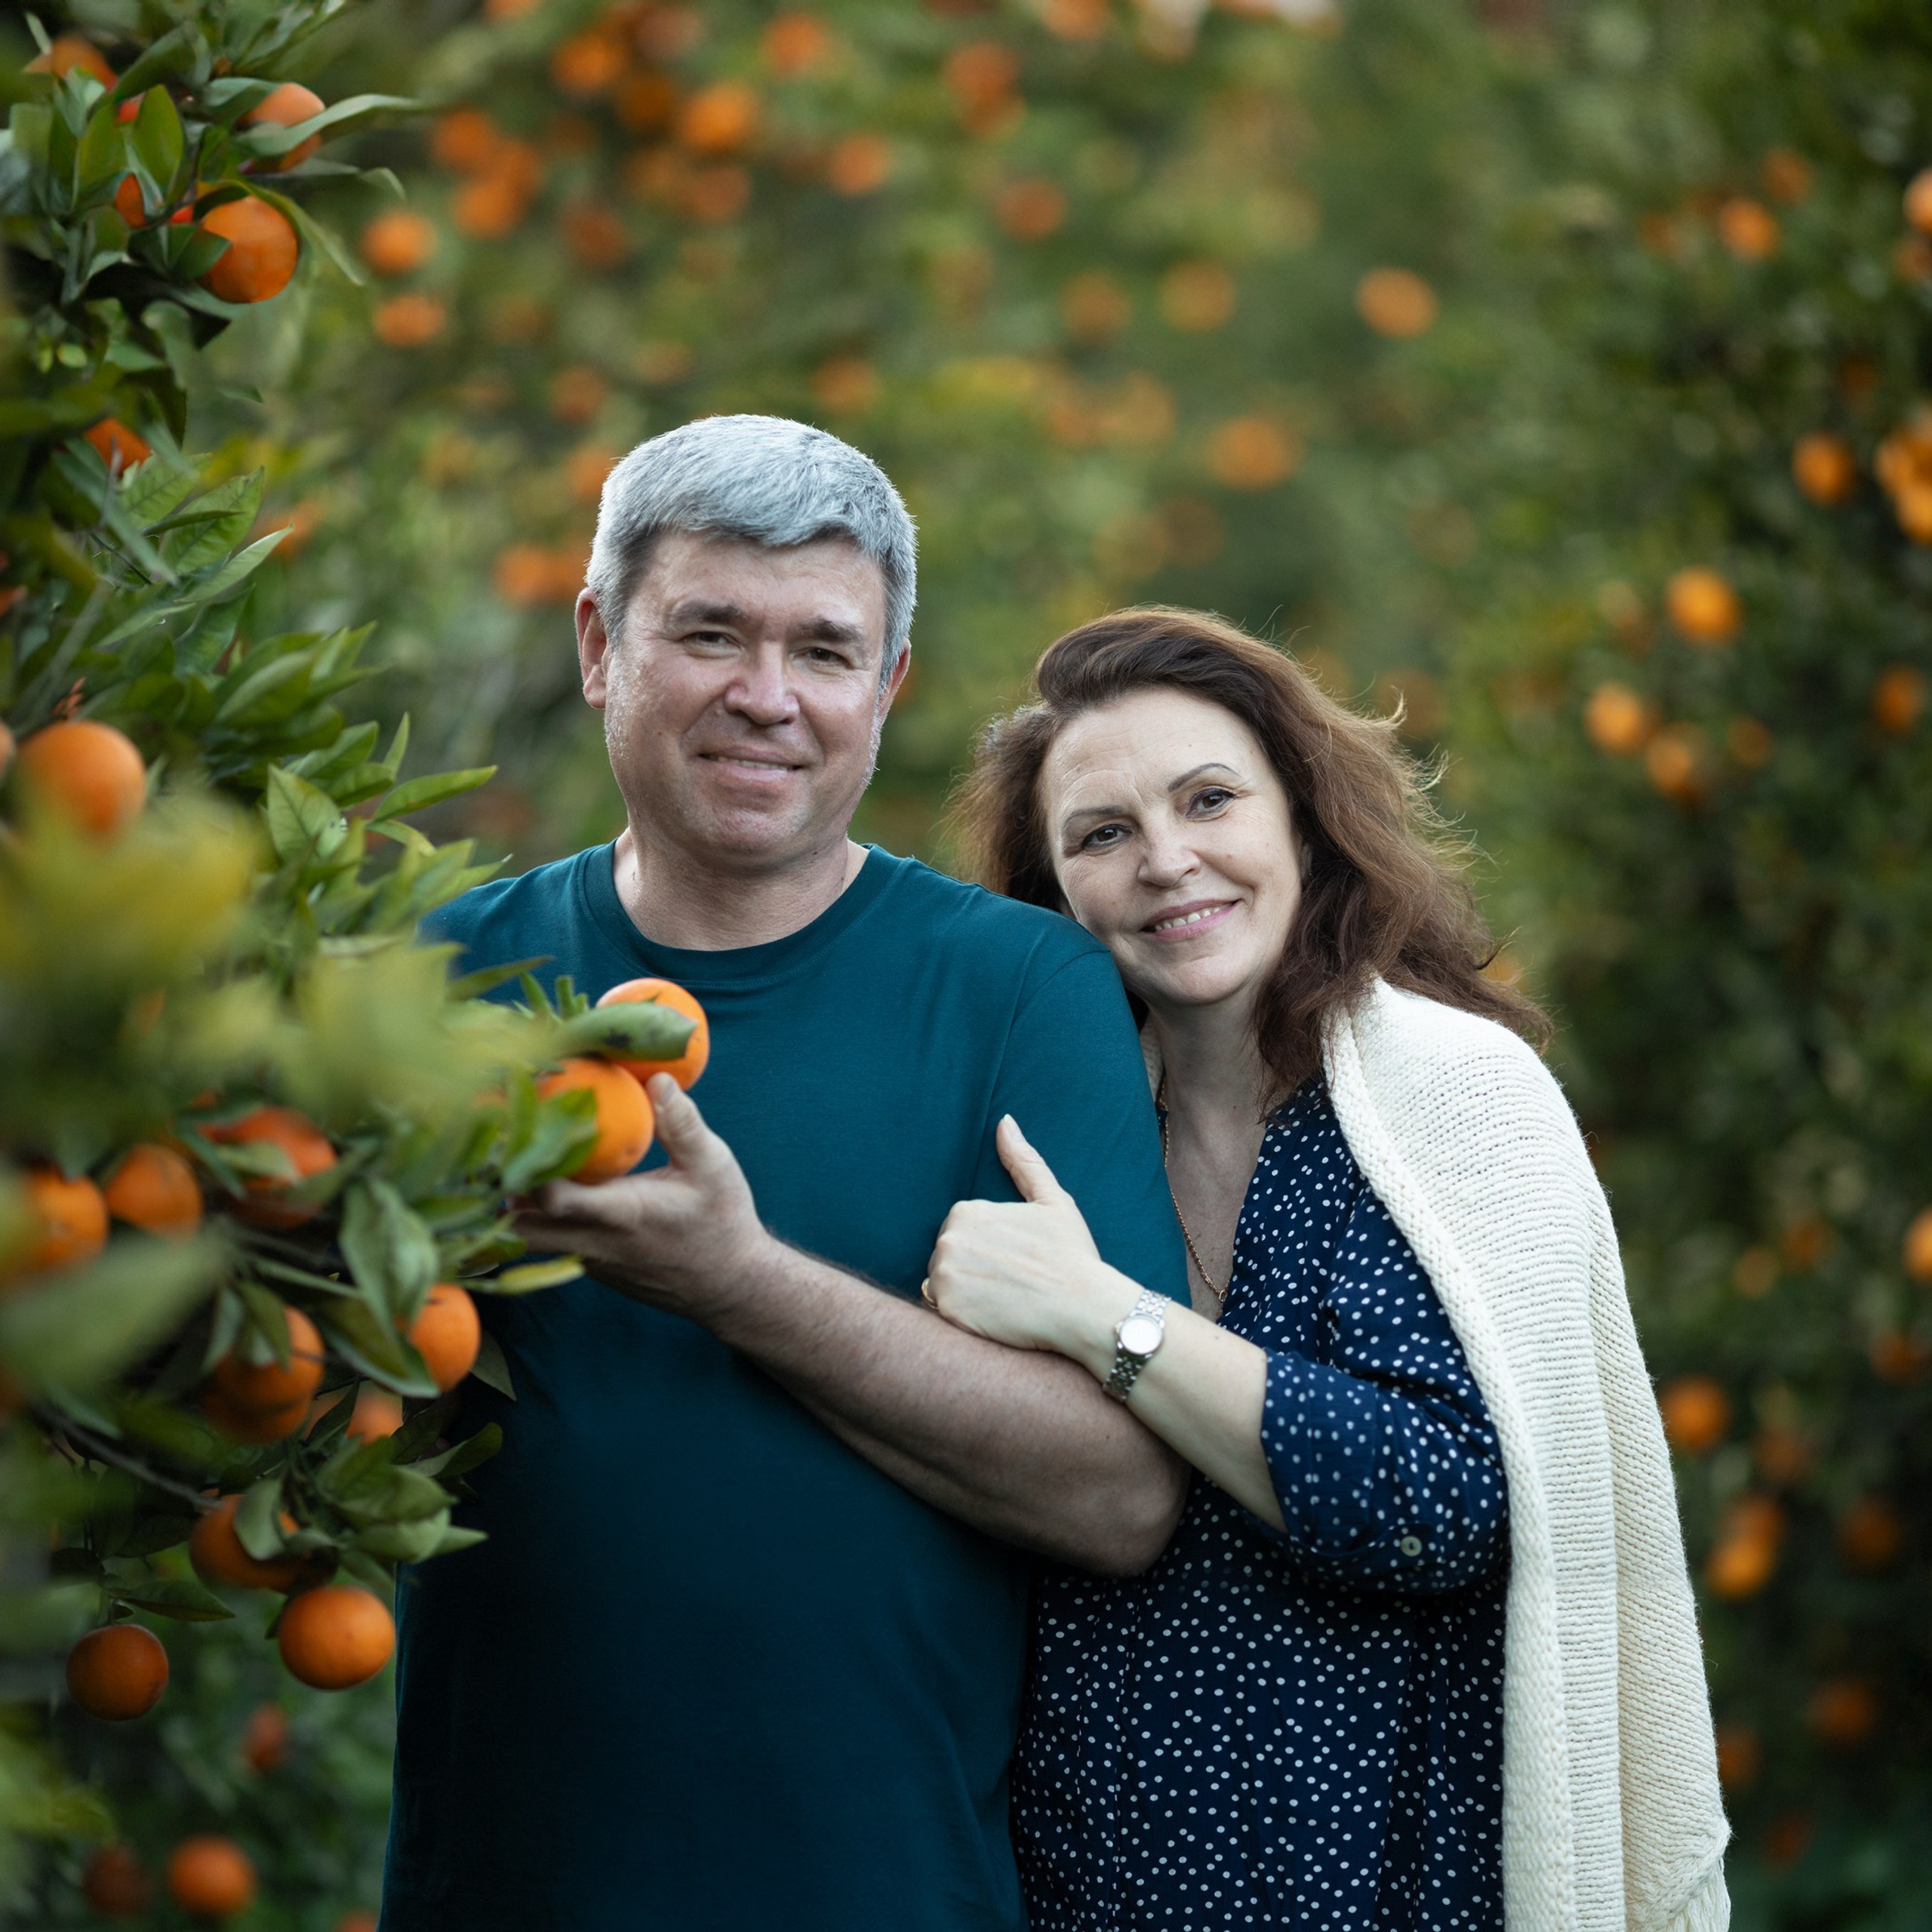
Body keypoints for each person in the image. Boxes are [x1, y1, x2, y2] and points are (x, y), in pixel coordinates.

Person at [380, 419, 1190, 1932]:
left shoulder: (1019, 988)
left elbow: (1119, 1493)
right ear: (597, 644)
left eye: (824, 649)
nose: (766, 696)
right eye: (707, 632)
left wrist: (731, 1280)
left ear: (883, 690)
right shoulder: (443, 981)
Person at [929, 606, 1730, 1932]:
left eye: (1208, 800)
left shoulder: (1464, 1102)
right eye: (1104, 834)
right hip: (1076, 1878)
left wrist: (1103, 1318)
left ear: (1299, 815)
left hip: (1385, 1875)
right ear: (1052, 892)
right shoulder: (1040, 1139)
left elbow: (1447, 1502)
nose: (1168, 863)